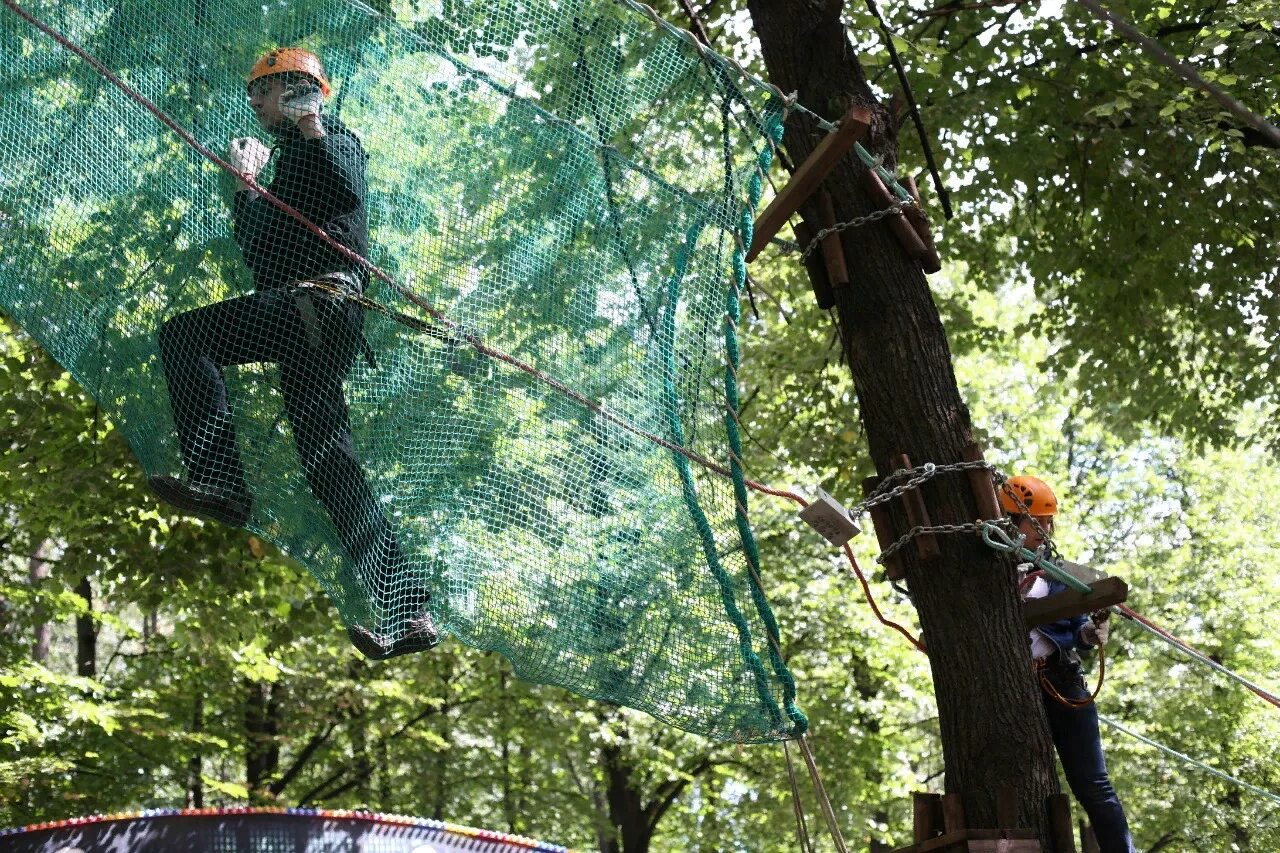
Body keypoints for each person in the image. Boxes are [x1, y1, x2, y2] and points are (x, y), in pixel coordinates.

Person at [148, 48, 436, 660]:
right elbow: (262, 254)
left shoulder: (335, 143)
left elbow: (344, 187)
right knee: (330, 467)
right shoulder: (284, 167)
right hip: (304, 323)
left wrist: (312, 124)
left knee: (183, 336)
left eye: (262, 92)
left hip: (323, 305)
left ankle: (221, 482)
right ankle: (410, 612)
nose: (253, 105)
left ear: (296, 89)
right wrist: (246, 189)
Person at [1000, 475, 1135, 853]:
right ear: (1010, 522)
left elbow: (1076, 630)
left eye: (1047, 523)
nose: (1044, 530)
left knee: (1094, 787)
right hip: (1015, 691)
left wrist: (1090, 635)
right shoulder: (990, 572)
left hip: (1061, 683)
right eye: (1034, 522)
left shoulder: (1060, 576)